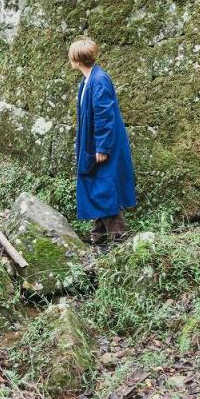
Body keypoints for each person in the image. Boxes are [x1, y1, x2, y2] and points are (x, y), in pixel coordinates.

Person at [70, 37, 136, 245]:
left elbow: (104, 115)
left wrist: (103, 146)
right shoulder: (87, 80)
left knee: (104, 189)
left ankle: (119, 239)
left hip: (103, 146)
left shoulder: (99, 80)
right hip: (93, 144)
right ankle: (98, 238)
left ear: (77, 60)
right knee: (95, 187)